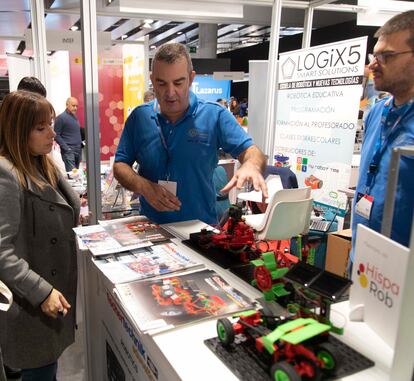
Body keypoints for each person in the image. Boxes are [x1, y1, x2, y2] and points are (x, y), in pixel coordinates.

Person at [114, 42, 267, 225]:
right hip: (151, 228)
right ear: (153, 80)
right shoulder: (139, 117)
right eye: (162, 83)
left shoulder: (214, 115)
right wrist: (144, 186)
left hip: (199, 231)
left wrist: (252, 164)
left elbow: (253, 152)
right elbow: (120, 165)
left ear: (191, 78)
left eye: (178, 83)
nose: (170, 93)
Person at [0, 91, 80, 380]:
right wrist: (41, 291)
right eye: (41, 127)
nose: (52, 133)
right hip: (33, 307)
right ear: (18, 131)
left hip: (53, 301)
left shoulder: (42, 163)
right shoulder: (7, 173)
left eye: (51, 124)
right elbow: (1, 253)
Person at [350, 10, 414, 270]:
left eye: (386, 56)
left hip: (403, 277)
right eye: (374, 56)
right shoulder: (377, 112)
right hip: (362, 262)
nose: (373, 65)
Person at [54, 97, 82, 172]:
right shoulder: (60, 118)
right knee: (73, 176)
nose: (75, 108)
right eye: (73, 106)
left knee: (77, 176)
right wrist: (67, 148)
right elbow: (56, 135)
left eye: (77, 106)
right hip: (69, 151)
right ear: (67, 105)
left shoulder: (75, 117)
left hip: (78, 150)